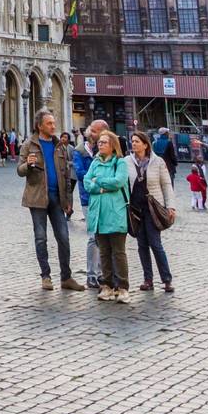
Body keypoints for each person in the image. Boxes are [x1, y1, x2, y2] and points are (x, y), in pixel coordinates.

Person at [17, 109, 83, 290]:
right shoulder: (28, 145)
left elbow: (66, 175)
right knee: (41, 238)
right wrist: (27, 165)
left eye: (54, 123)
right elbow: (19, 170)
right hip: (37, 198)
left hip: (57, 198)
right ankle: (45, 276)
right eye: (49, 123)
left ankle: (66, 277)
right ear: (39, 126)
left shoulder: (59, 146)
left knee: (63, 237)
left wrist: (69, 200)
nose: (53, 126)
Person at [84, 128, 131, 303]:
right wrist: (100, 186)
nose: (100, 145)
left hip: (116, 213)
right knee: (104, 252)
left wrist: (99, 182)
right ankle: (107, 286)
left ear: (113, 145)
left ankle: (123, 287)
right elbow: (87, 183)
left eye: (104, 142)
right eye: (99, 142)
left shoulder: (120, 163)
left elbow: (118, 181)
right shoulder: (95, 162)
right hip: (98, 214)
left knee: (118, 252)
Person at [126, 127, 176, 292]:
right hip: (136, 208)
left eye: (137, 142)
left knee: (155, 244)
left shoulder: (158, 161)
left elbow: (166, 184)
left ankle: (166, 279)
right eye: (132, 141)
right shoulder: (127, 162)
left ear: (145, 145)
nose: (134, 144)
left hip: (153, 207)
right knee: (142, 245)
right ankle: (148, 279)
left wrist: (170, 206)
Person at [72, 118, 108, 287]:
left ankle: (102, 272)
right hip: (88, 199)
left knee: (104, 236)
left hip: (106, 198)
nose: (91, 133)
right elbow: (80, 174)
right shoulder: (79, 150)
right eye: (91, 131)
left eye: (95, 131)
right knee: (94, 236)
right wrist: (99, 179)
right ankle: (91, 274)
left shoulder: (107, 150)